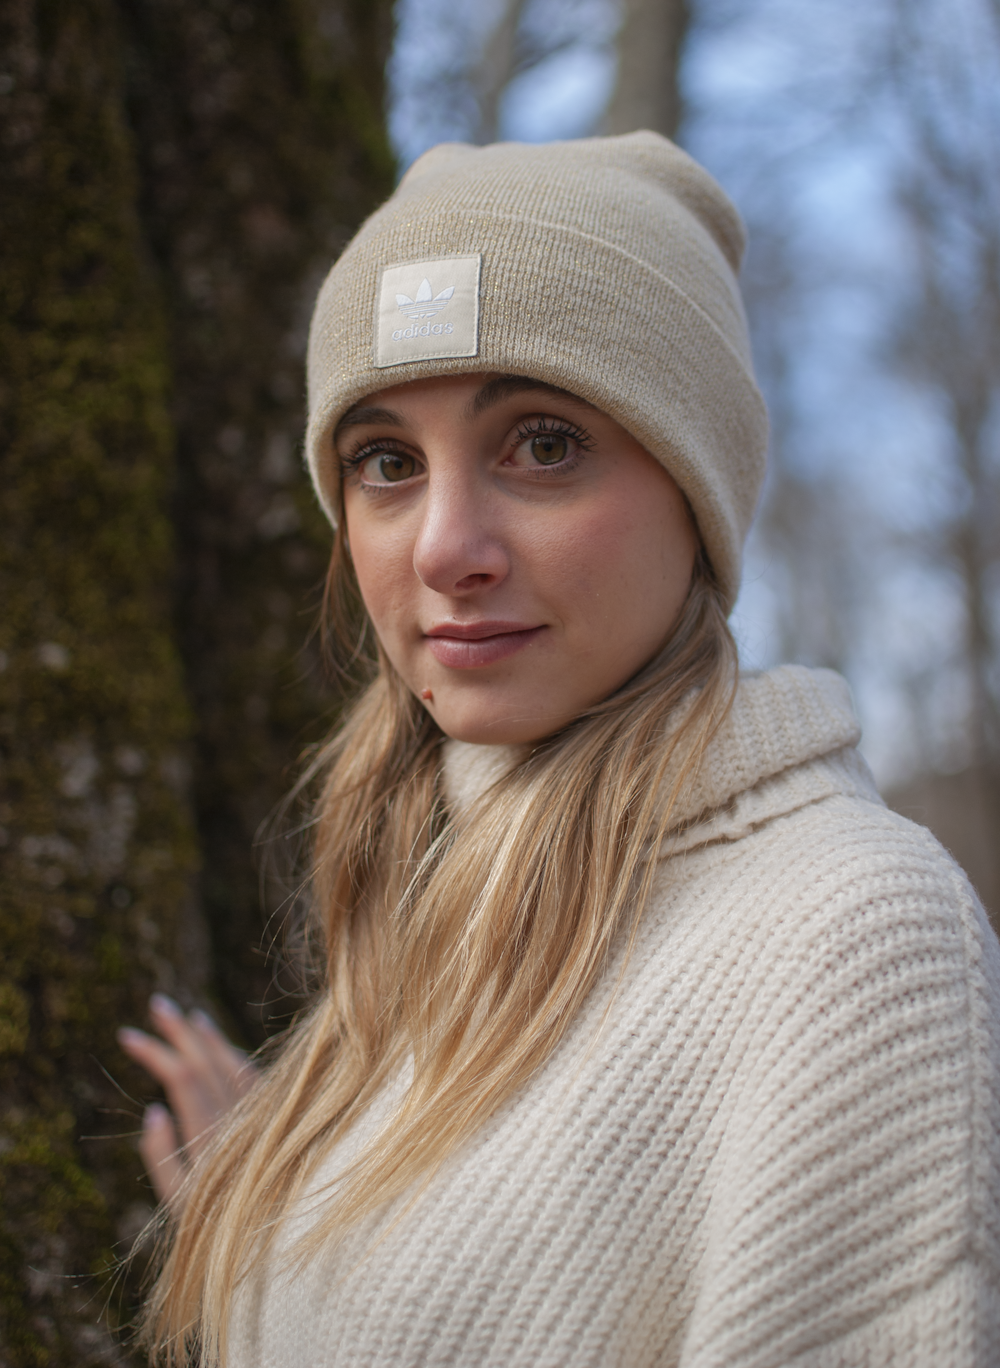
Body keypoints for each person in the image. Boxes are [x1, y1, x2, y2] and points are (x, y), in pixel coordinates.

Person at [119, 132, 1000, 1367]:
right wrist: (287, 1233)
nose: (443, 547)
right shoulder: (426, 925)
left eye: (543, 444)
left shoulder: (854, 937)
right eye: (386, 463)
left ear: (696, 499)